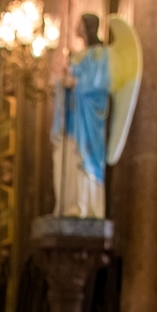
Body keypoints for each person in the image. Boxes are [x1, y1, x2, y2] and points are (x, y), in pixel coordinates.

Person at [52, 14, 110, 218]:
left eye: (79, 23)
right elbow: (65, 84)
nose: (76, 26)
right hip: (72, 119)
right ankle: (69, 204)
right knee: (64, 156)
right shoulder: (77, 56)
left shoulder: (99, 55)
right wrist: (63, 83)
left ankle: (86, 205)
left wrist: (75, 83)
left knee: (84, 157)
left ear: (88, 27)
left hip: (88, 119)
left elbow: (100, 84)